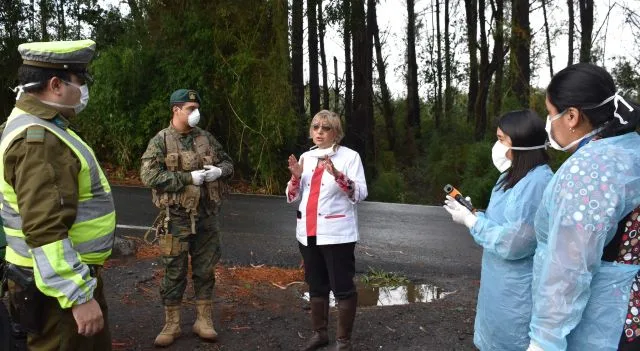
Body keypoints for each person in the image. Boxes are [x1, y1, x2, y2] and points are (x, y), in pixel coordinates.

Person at [0, 39, 116, 350]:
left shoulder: (34, 125)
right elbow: (46, 227)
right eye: (80, 82)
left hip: (46, 282)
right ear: (56, 85)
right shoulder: (38, 140)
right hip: (58, 295)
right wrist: (79, 296)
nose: (83, 91)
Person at [526, 63, 640, 351]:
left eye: (551, 114)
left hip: (606, 321)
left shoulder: (588, 171)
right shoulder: (630, 149)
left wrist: (544, 338)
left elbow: (569, 266)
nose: (548, 123)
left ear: (573, 116)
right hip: (630, 312)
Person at [443, 110, 553, 350]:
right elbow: (499, 222)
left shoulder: (538, 183)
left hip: (517, 290)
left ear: (521, 142)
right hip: (497, 282)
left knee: (511, 342)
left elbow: (515, 243)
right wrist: (472, 214)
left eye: (501, 138)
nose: (497, 145)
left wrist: (472, 223)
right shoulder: (509, 176)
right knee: (491, 339)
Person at [140, 89, 233, 347]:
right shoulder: (161, 141)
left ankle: (204, 320)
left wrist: (219, 171)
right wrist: (186, 178)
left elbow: (229, 163)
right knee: (174, 271)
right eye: (191, 108)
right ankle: (172, 324)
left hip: (206, 217)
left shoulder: (206, 138)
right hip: (176, 218)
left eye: (197, 108)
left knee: (206, 270)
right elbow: (149, 176)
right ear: (176, 110)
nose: (196, 112)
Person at [286, 110, 368, 351]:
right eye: (315, 127)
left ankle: (343, 341)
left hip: (336, 234)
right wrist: (294, 178)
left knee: (342, 287)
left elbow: (361, 194)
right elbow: (292, 197)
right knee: (316, 285)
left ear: (336, 133)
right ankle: (320, 334)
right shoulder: (306, 157)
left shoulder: (350, 157)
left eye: (325, 128)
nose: (319, 132)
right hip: (307, 232)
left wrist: (339, 176)